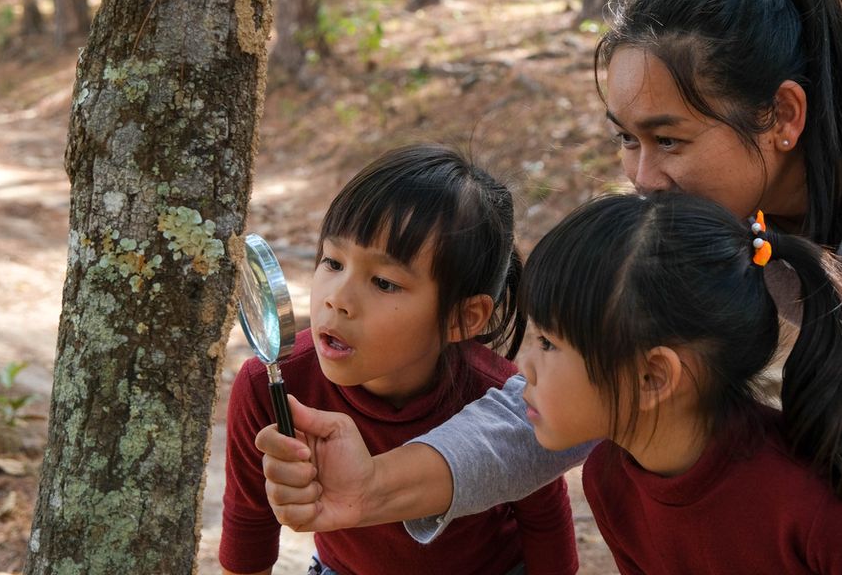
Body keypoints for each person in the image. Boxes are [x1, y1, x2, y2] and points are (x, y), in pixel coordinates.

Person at [256, 0, 842, 574]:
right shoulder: (704, 209)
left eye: (669, 138)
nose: (640, 176)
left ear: (783, 117)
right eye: (627, 139)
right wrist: (374, 487)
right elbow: (590, 385)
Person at [518, 190, 842, 573]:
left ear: (653, 377)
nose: (525, 366)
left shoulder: (817, 508)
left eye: (548, 343)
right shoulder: (609, 481)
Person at [220, 144, 578, 575]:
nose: (338, 299)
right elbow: (249, 530)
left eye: (385, 283)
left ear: (463, 318)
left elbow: (544, 519)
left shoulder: (498, 398)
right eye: (332, 262)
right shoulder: (270, 384)